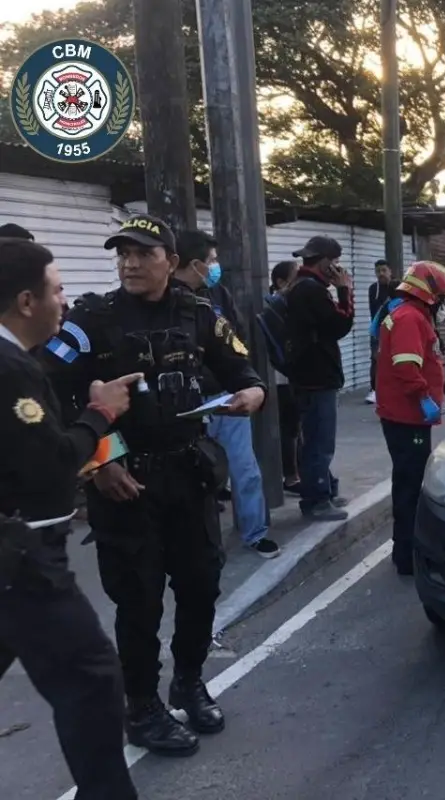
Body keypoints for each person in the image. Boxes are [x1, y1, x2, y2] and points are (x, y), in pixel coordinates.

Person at [44, 213, 266, 756]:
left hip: (187, 475)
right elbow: (48, 390)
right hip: (124, 483)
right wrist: (100, 462)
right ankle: (142, 707)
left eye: (143, 253)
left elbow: (244, 372)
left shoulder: (199, 313)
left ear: (170, 260)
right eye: (122, 254)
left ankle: (188, 680)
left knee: (200, 586)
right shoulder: (91, 319)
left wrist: (252, 396)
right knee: (138, 602)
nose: (130, 263)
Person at [0, 237, 142, 799]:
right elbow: (49, 467)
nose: (66, 300)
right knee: (91, 680)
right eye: (57, 290)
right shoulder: (11, 368)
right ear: (27, 301)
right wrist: (101, 414)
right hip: (26, 557)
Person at [171, 229, 279, 558]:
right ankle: (199, 545)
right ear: (194, 264)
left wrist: (245, 383)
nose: (216, 267)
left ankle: (254, 532)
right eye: (212, 261)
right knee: (193, 480)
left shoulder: (218, 296)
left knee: (244, 469)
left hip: (226, 399)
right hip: (187, 406)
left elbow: (235, 339)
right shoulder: (164, 302)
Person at [374, 260, 445, 576]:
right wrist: (424, 398)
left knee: (407, 482)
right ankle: (407, 555)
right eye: (443, 298)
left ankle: (405, 550)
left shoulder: (411, 315)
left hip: (405, 415)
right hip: (407, 416)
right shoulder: (411, 318)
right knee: (410, 485)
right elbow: (407, 368)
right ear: (430, 294)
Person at [286, 235, 354, 521]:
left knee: (313, 439)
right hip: (317, 376)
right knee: (319, 442)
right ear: (325, 262)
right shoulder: (311, 290)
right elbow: (339, 324)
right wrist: (344, 291)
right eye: (335, 262)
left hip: (309, 374)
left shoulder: (303, 287)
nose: (338, 268)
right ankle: (316, 501)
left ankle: (321, 491)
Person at [269, 260, 301, 493]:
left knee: (296, 429)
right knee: (289, 429)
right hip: (281, 377)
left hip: (291, 376)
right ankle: (291, 477)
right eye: (296, 275)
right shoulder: (276, 305)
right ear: (281, 282)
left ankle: (296, 473)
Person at [366, 259, 394, 404]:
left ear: (390, 271)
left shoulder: (397, 287)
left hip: (395, 329)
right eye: (378, 271)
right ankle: (374, 389)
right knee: (376, 359)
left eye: (384, 270)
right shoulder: (373, 289)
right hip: (378, 329)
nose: (381, 274)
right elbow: (374, 311)